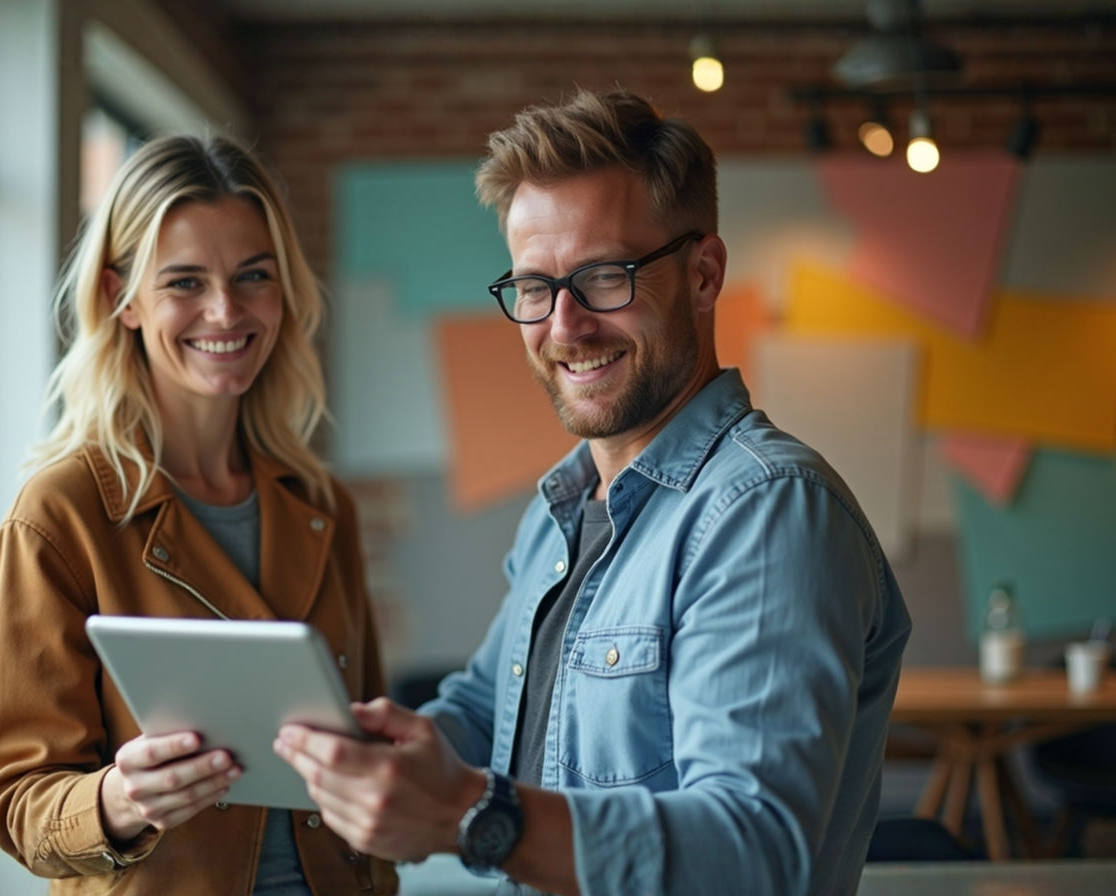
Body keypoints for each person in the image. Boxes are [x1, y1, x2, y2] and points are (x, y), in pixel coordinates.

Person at [274, 88, 912, 896]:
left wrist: (473, 813)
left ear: (705, 274)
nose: (565, 326)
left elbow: (754, 855)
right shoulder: (564, 511)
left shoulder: (768, 510)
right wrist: (363, 753)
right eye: (535, 288)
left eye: (605, 276)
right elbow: (487, 708)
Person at [0, 134, 397, 896]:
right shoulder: (59, 515)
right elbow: (20, 805)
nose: (225, 310)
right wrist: (118, 800)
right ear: (121, 299)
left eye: (253, 276)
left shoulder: (319, 504)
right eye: (184, 282)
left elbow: (363, 727)